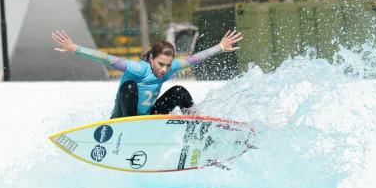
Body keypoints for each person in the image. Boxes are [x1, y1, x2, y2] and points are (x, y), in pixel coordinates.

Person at [51, 29, 243, 119]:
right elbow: (105, 58)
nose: (163, 69)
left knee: (179, 91)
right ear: (151, 58)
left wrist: (220, 47)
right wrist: (75, 48)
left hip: (149, 117)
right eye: (160, 64)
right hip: (123, 119)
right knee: (129, 86)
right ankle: (130, 126)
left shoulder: (170, 68)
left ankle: (195, 127)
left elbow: (194, 59)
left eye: (167, 66)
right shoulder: (138, 69)